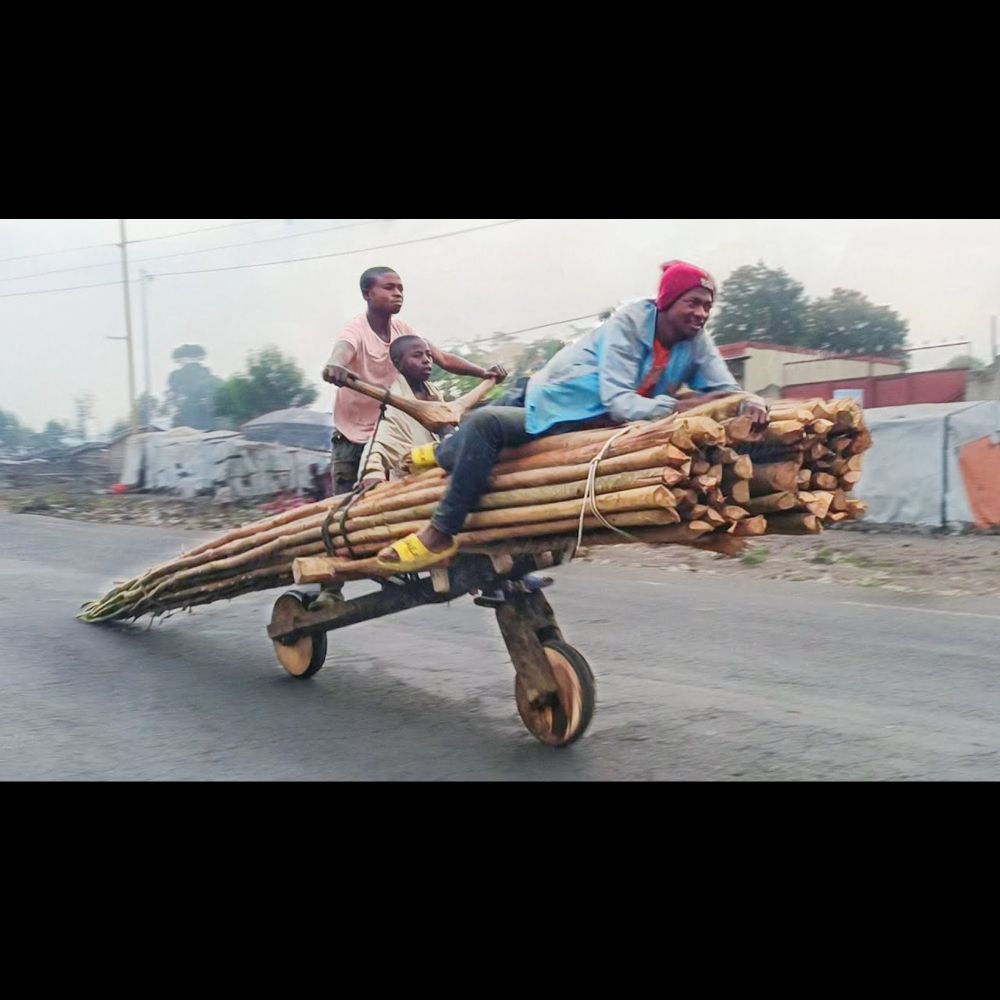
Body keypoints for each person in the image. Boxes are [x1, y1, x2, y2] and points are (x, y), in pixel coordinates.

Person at [374, 260, 769, 572]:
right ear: (666, 302)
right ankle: (441, 529)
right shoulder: (630, 322)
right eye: (693, 303)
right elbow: (617, 399)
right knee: (484, 425)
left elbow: (727, 390)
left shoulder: (696, 341)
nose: (701, 313)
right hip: (562, 403)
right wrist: (678, 406)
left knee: (481, 428)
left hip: (603, 420)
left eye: (707, 306)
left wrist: (750, 400)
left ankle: (436, 454)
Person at [322, 267, 508, 495]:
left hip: (393, 427)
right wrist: (335, 366)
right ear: (367, 294)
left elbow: (443, 358)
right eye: (389, 288)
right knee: (348, 504)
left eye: (400, 288)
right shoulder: (356, 330)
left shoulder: (403, 330)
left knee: (396, 497)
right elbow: (341, 351)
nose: (398, 293)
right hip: (353, 438)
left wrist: (483, 373)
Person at [355, 335, 454, 488]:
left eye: (428, 355)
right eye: (417, 355)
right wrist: (371, 473)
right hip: (411, 485)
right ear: (398, 363)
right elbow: (380, 441)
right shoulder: (396, 400)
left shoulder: (434, 394)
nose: (426, 360)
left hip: (441, 477)